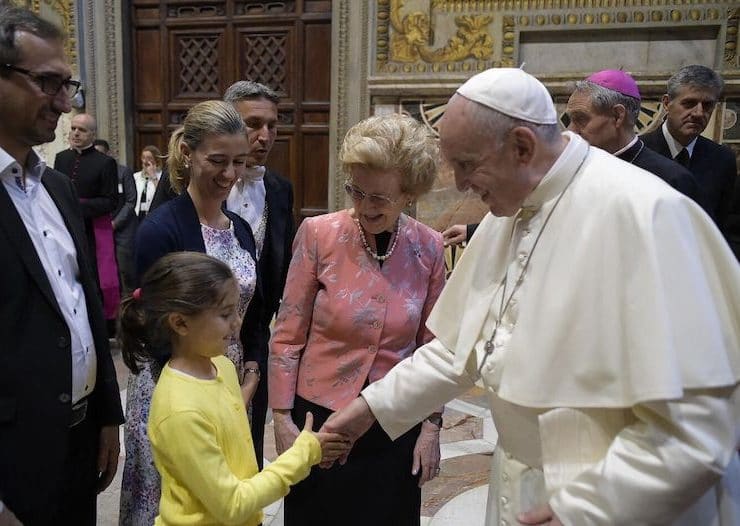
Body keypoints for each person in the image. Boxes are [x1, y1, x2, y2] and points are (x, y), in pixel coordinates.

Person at [322, 68, 740, 525]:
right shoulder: (512, 206)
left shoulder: (648, 214)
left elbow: (696, 424)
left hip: (621, 497)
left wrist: (588, 511)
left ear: (522, 147)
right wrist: (372, 407)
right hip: (519, 482)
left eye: (466, 164)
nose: (460, 184)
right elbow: (462, 348)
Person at [268, 113, 446, 526]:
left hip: (394, 419)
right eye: (356, 191)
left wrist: (433, 426)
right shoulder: (318, 234)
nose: (365, 206)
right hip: (321, 418)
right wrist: (281, 419)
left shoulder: (429, 247)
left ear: (408, 192)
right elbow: (288, 334)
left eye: (380, 197)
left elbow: (435, 347)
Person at [0, 6, 124, 525]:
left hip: (77, 443)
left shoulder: (56, 187)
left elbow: (86, 305)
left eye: (67, 84)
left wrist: (106, 418)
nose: (65, 101)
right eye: (48, 82)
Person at [118, 251, 349, 525]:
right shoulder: (180, 411)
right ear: (180, 323)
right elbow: (232, 504)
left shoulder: (222, 365)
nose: (237, 322)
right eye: (225, 314)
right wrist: (303, 454)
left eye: (237, 310)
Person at [120, 100, 261, 524]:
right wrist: (201, 389)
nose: (229, 174)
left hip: (229, 379)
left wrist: (248, 370)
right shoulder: (162, 229)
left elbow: (250, 310)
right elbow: (154, 329)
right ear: (188, 153)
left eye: (239, 161)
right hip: (177, 383)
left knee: (224, 494)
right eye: (217, 160)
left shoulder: (240, 229)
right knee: (179, 499)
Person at [443, 68, 702, 247]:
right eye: (569, 120)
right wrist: (471, 231)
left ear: (617, 117)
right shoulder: (559, 176)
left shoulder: (666, 188)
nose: (571, 132)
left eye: (580, 120)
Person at [224, 79, 295, 468]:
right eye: (253, 124)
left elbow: (282, 266)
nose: (264, 135)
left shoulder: (280, 190)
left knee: (247, 453)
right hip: (192, 343)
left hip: (253, 341)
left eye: (272, 125)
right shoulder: (187, 180)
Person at [642, 64, 739, 257]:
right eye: (689, 103)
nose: (698, 113)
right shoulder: (638, 152)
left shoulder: (722, 159)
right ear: (667, 103)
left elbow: (727, 224)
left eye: (707, 105)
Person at [54, 112, 120, 320]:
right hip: (65, 228)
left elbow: (111, 201)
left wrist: (76, 207)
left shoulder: (104, 163)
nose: (75, 133)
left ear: (92, 134)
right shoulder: (61, 158)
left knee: (93, 278)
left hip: (92, 234)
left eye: (81, 130)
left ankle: (99, 322)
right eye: (73, 128)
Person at [94, 138, 138, 294]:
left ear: (108, 153)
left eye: (100, 154)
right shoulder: (94, 175)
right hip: (101, 228)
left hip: (123, 229)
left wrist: (115, 223)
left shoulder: (123, 172)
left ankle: (130, 305)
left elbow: (131, 201)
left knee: (126, 270)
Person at [133, 144, 163, 220]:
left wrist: (153, 176)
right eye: (143, 157)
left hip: (155, 215)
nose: (146, 161)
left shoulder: (162, 176)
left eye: (149, 158)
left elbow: (161, 194)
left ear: (156, 160)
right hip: (138, 216)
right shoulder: (136, 176)